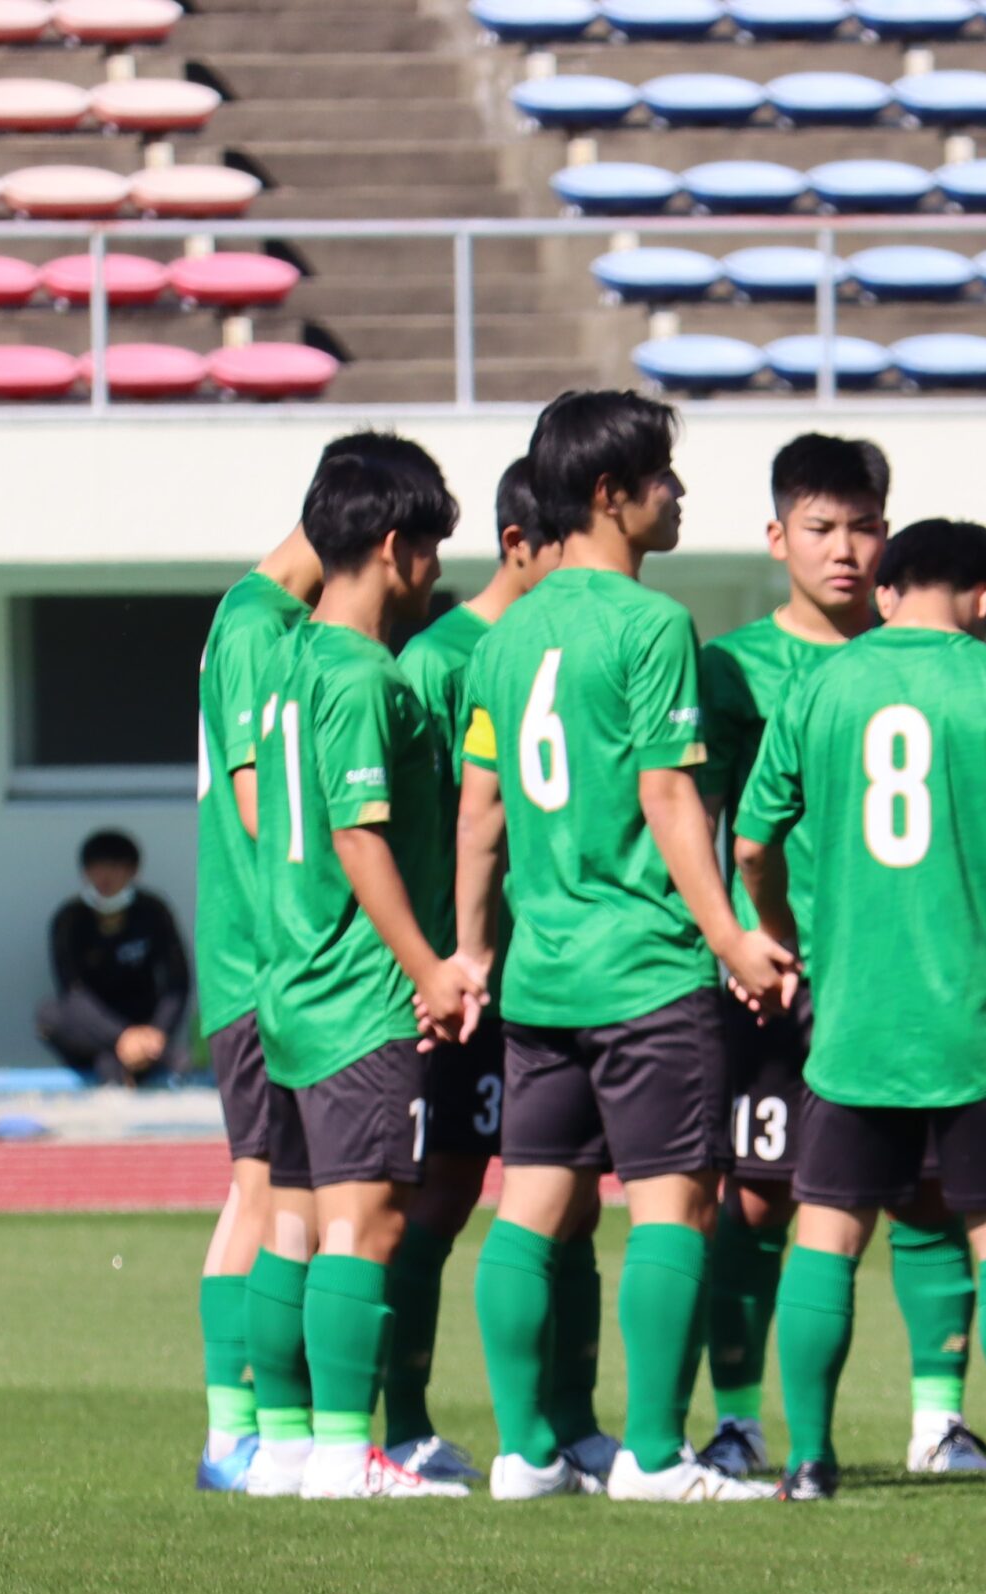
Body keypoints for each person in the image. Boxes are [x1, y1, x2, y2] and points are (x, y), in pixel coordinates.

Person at [736, 518, 986, 1504]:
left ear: (883, 591)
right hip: (982, 1020)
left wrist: (784, 930)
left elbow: (752, 843)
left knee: (826, 1235)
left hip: (853, 1021)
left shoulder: (816, 685)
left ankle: (807, 1460)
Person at [454, 391, 794, 1504]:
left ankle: (522, 1450)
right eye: (665, 478)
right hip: (646, 968)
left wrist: (470, 950)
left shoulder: (503, 636)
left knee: (529, 1209)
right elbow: (666, 791)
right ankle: (654, 1454)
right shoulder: (652, 628)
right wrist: (733, 937)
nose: (679, 495)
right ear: (613, 495)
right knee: (670, 1203)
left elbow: (481, 811)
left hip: (541, 976)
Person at [692, 435, 986, 1482]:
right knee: (760, 1198)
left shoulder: (934, 659)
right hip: (774, 978)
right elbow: (702, 823)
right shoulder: (729, 666)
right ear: (777, 536)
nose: (847, 550)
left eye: (866, 525)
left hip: (907, 977)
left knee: (926, 1196)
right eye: (822, 527)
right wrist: (733, 936)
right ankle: (739, 1420)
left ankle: (938, 1419)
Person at [379, 456, 613, 1490]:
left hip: (558, 976)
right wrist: (440, 961)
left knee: (574, 1200)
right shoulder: (440, 660)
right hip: (462, 982)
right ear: (521, 544)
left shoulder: (581, 638)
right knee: (438, 1195)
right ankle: (407, 1416)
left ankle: (572, 1419)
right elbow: (425, 826)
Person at [251, 431, 475, 1501]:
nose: (436, 572)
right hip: (356, 992)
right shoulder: (361, 675)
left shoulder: (286, 659)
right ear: (396, 548)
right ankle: (346, 1448)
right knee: (367, 1218)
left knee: (291, 1215)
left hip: (291, 981)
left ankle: (287, 1441)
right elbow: (358, 833)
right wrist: (428, 965)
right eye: (431, 548)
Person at [194, 515, 324, 1495]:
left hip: (266, 954)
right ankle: (232, 1427)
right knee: (259, 1189)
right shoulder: (255, 625)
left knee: (282, 1191)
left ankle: (266, 1423)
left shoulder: (260, 615)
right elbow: (256, 803)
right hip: (256, 955)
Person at [38, 830, 190, 1085]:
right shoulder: (69, 919)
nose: (105, 876)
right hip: (95, 1026)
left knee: (180, 1061)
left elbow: (177, 981)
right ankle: (122, 1060)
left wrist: (157, 1032)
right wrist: (121, 1037)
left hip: (144, 1023)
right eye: (97, 867)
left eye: (115, 867)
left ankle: (139, 1059)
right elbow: (72, 991)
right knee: (48, 1016)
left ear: (133, 872)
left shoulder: (153, 911)